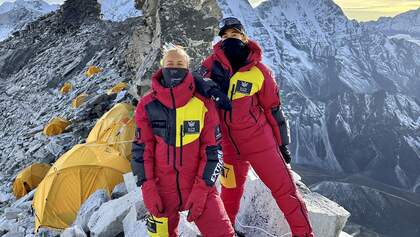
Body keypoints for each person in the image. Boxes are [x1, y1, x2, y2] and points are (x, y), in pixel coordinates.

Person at [194, 17, 315, 237]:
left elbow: (274, 110)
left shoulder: (259, 71)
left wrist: (282, 143)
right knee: (228, 196)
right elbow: (192, 88)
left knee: (285, 193)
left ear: (245, 37)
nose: (231, 38)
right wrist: (207, 85)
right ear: (221, 40)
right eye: (226, 35)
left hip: (261, 144)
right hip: (229, 149)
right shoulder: (210, 67)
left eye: (236, 34)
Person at [131, 45, 235, 237]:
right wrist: (147, 187)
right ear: (162, 67)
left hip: (200, 186)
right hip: (161, 190)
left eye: (180, 64)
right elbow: (141, 149)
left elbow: (213, 150)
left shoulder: (203, 103)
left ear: (188, 68)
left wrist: (203, 188)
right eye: (170, 63)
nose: (174, 67)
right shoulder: (147, 105)